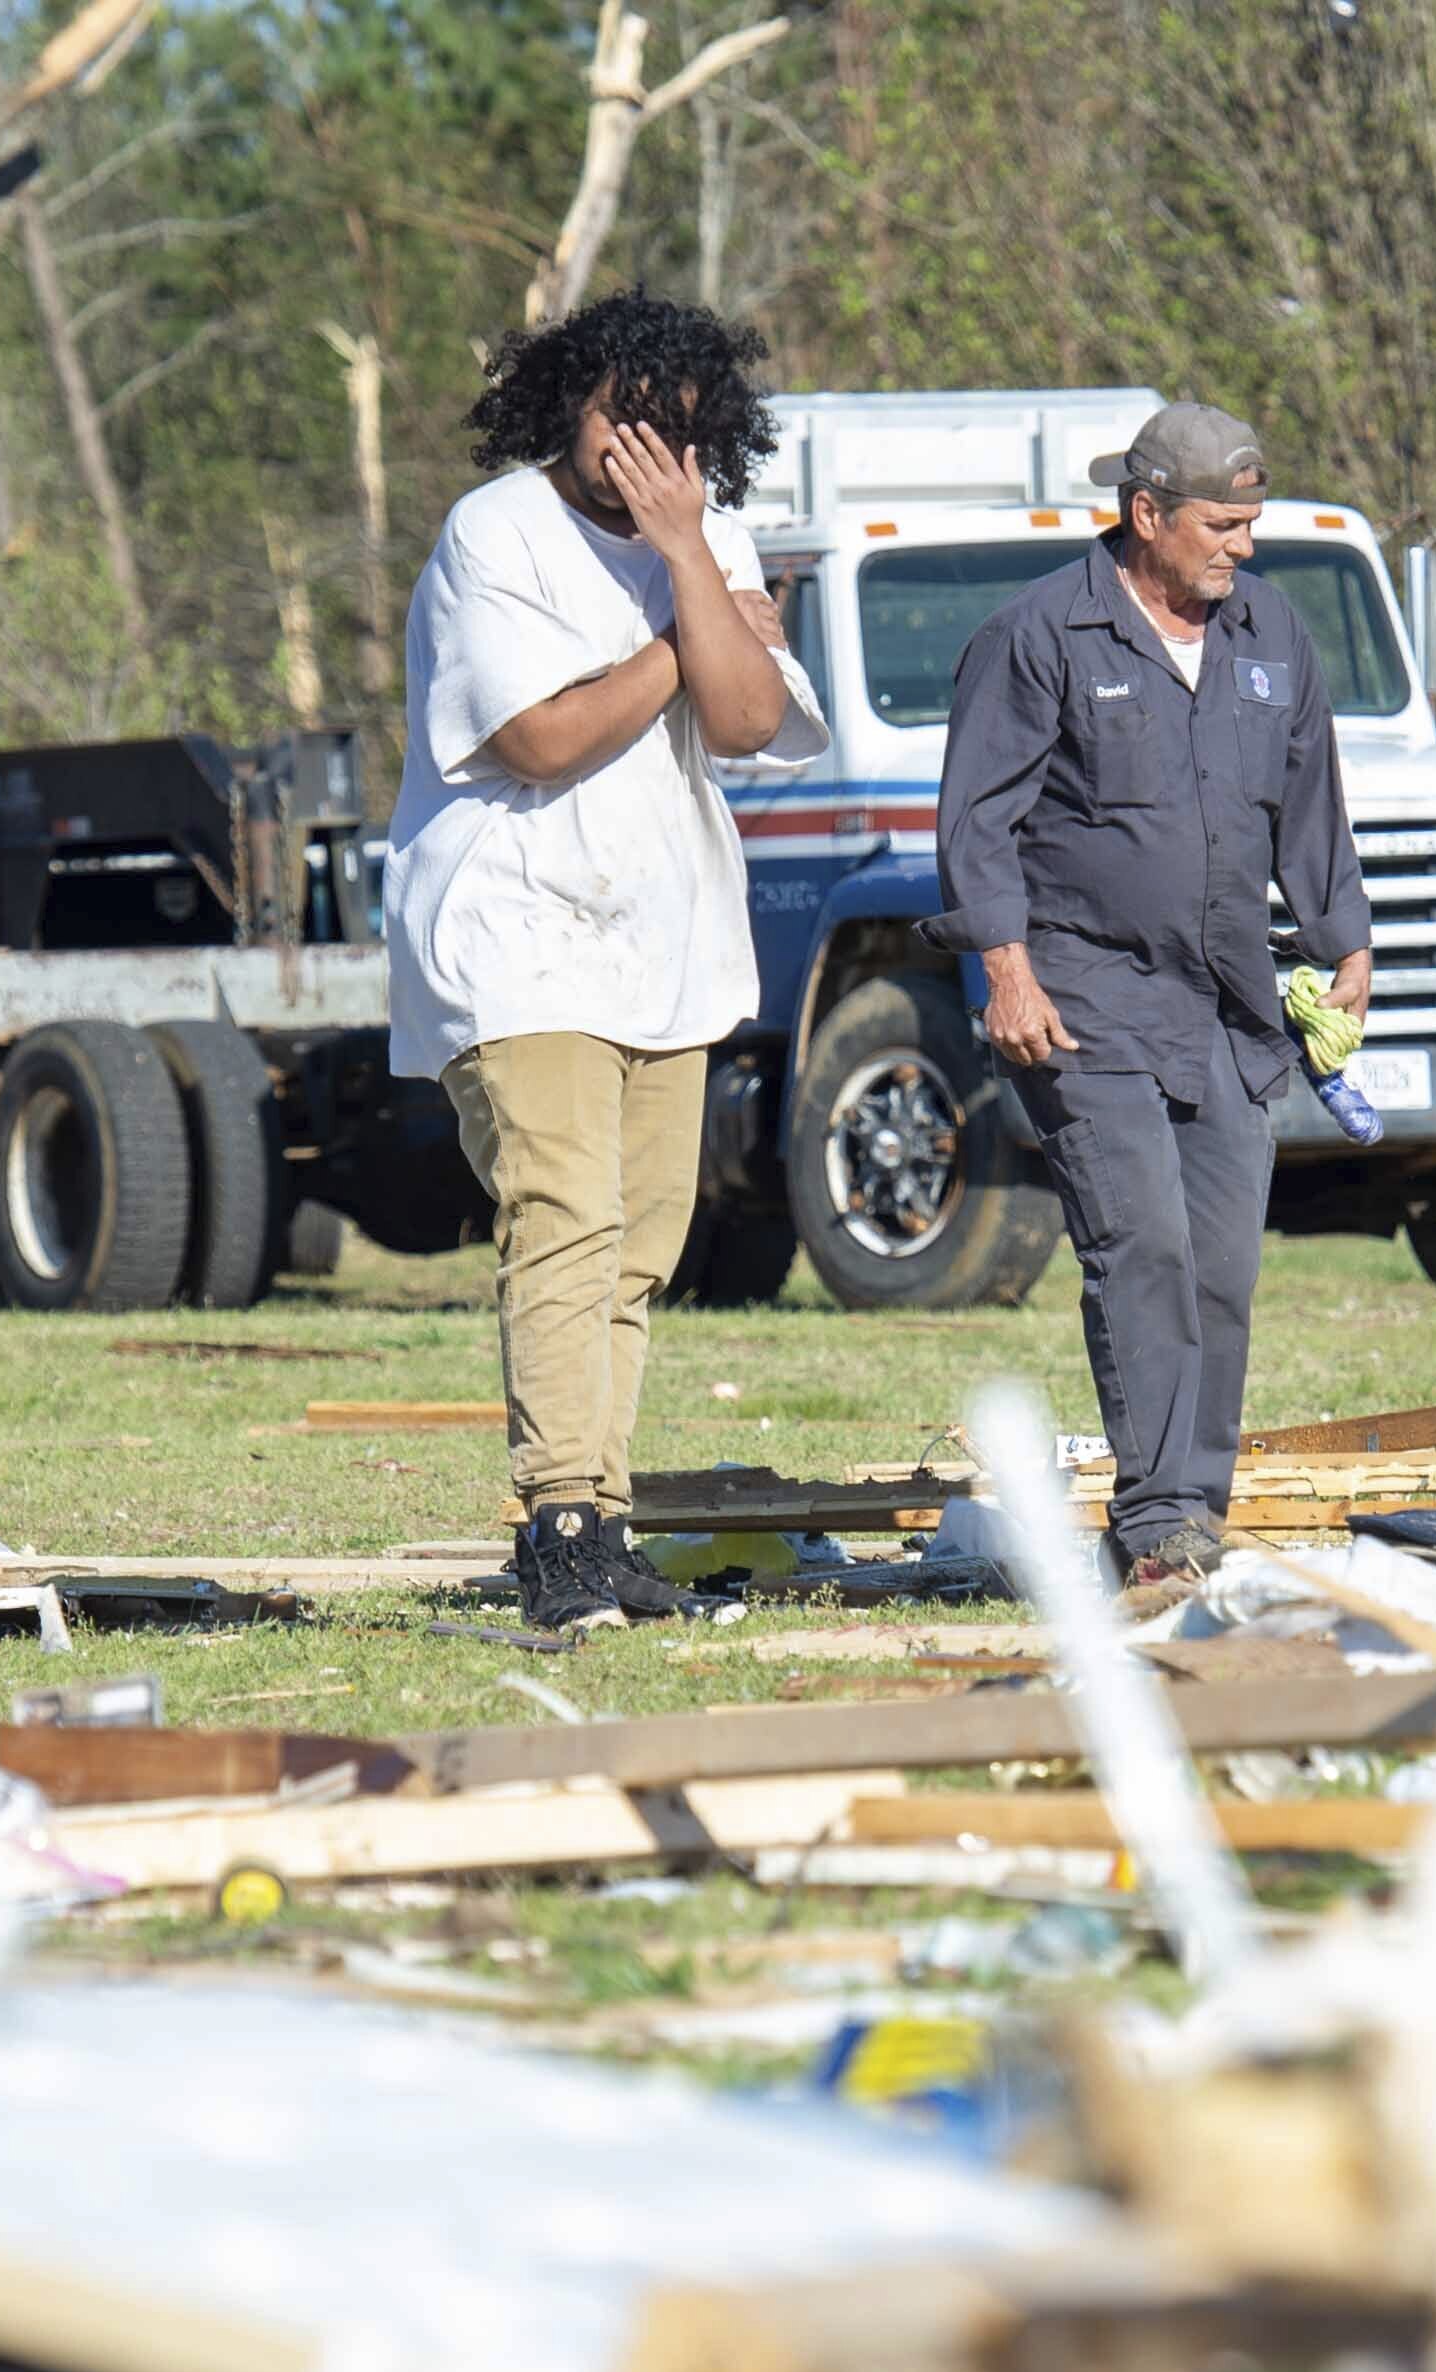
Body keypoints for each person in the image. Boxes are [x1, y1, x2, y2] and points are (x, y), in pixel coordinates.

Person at [380, 291, 829, 1634]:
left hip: (664, 942)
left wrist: (693, 561)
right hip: (516, 933)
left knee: (641, 1242)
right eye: (619, 414)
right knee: (564, 1220)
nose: (642, 448)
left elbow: (749, 719)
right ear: (565, 402)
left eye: (674, 430)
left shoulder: (705, 532)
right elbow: (541, 737)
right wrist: (690, 641)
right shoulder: (495, 534)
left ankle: (606, 1521)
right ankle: (558, 1524)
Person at [933, 401, 1375, 1598]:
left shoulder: (1270, 630)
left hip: (1229, 1002)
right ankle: (1162, 1521)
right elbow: (977, 820)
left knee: (1221, 1265)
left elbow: (1309, 797)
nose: (1240, 547)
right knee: (1144, 1246)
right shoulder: (1039, 635)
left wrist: (1345, 940)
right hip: (1082, 992)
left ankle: (1195, 1504)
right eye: (1220, 525)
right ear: (1145, 515)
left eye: (1251, 524)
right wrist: (1005, 969)